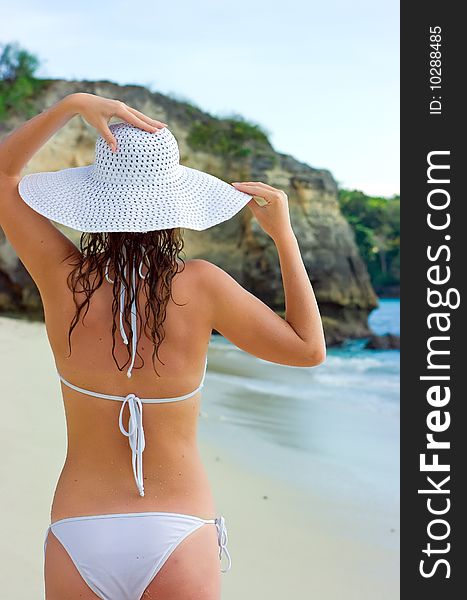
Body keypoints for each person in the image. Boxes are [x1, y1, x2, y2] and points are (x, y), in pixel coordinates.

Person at [0, 92, 326, 600]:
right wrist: (283, 234)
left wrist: (70, 107)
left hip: (79, 528)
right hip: (178, 529)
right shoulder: (202, 285)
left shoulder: (63, 281)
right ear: (175, 205)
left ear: (93, 202)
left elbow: (2, 177)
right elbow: (308, 348)